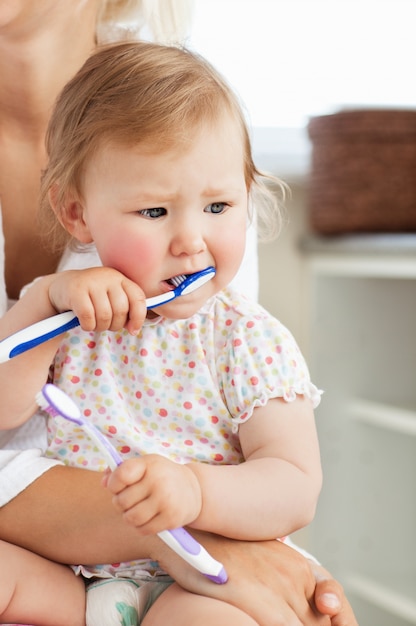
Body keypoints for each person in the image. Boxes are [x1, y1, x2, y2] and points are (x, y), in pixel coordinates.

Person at [0, 3, 358, 626]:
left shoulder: (245, 338)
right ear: (77, 215)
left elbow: (295, 483)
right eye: (155, 213)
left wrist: (197, 491)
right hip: (76, 570)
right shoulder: (77, 316)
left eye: (219, 206)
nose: (191, 239)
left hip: (194, 581)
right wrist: (43, 302)